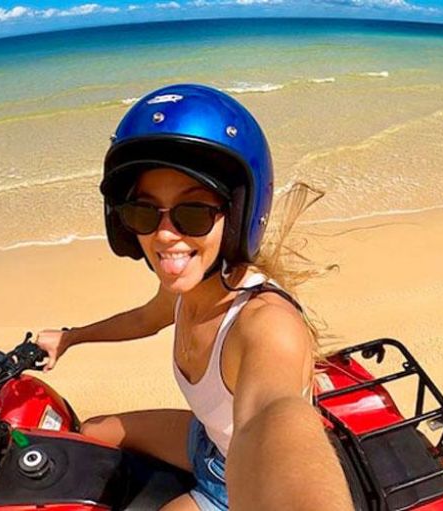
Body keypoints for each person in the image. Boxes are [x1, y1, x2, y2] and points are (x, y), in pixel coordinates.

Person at [36, 84, 354, 511]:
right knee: (88, 434)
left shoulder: (266, 326)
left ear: (237, 218)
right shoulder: (191, 287)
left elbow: (272, 416)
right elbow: (145, 318)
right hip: (205, 439)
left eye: (194, 213)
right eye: (144, 211)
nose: (165, 235)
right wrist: (71, 338)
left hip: (231, 483)